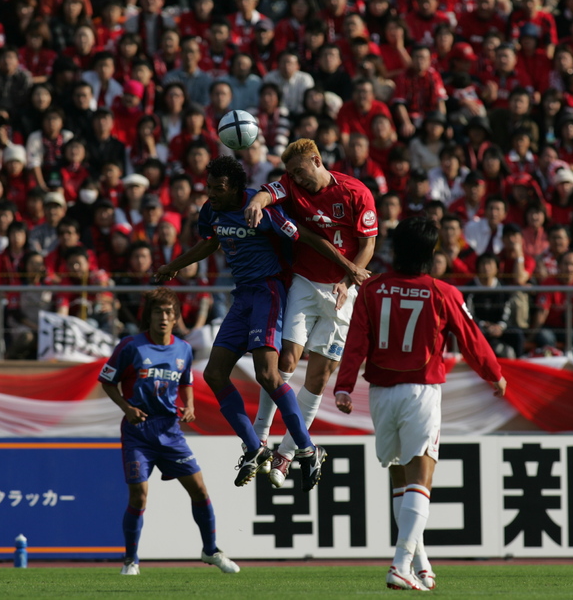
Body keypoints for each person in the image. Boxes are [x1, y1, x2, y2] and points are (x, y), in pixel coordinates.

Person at [334, 216, 506, 592]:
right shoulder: (443, 292)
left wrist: (344, 386)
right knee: (421, 480)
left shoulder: (372, 288)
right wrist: (494, 373)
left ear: (394, 250)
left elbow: (356, 341)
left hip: (380, 394)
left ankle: (420, 564)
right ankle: (399, 565)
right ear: (431, 252)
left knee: (401, 480)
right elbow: (471, 338)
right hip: (421, 392)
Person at [156, 156, 345, 490]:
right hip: (242, 296)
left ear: (236, 188)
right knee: (214, 374)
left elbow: (301, 236)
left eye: (218, 188)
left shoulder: (263, 210)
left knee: (268, 374)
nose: (211, 193)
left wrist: (345, 266)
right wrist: (174, 265)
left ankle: (307, 449)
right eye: (209, 187)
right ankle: (255, 448)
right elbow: (210, 242)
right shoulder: (211, 210)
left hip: (269, 292)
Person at [244, 138, 376, 488]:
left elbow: (368, 245)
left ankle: (287, 454)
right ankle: (258, 438)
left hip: (342, 291)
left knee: (318, 377)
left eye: (300, 171)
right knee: (286, 360)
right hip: (304, 281)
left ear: (317, 160)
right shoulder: (290, 183)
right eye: (291, 174)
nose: (297, 179)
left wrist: (347, 281)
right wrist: (256, 203)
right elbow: (267, 193)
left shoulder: (356, 192)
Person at [100, 287, 239, 576]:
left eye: (168, 312)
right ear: (149, 317)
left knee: (199, 488)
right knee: (139, 495)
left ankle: (211, 550)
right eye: (158, 312)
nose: (163, 317)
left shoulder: (183, 349)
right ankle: (131, 560)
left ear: (175, 318)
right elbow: (108, 381)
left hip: (170, 430)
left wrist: (189, 405)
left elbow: (186, 381)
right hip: (139, 431)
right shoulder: (130, 346)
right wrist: (126, 407)